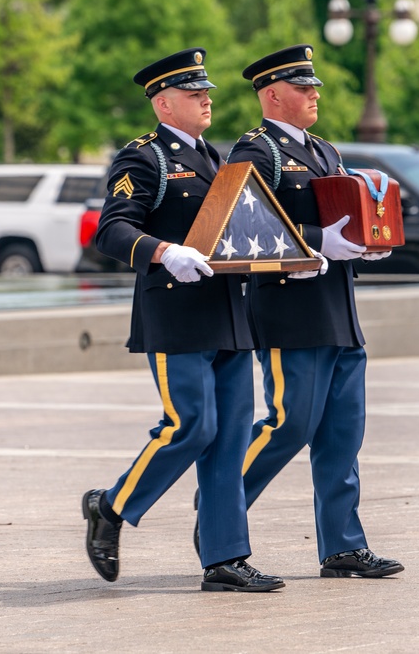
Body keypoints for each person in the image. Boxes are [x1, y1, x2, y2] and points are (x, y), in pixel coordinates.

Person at [82, 48, 283, 592]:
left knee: (229, 439)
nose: (208, 100)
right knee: (191, 426)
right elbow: (112, 229)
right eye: (196, 95)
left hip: (228, 316)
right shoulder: (143, 158)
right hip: (176, 314)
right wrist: (163, 250)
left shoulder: (217, 158)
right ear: (165, 103)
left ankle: (225, 560)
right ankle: (111, 506)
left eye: (208, 93)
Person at [223, 45, 403, 578]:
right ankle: (219, 513)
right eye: (304, 88)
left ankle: (343, 547)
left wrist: (368, 242)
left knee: (342, 434)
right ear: (273, 94)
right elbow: (241, 228)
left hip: (338, 311)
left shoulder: (324, 151)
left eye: (314, 86)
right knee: (290, 424)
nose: (314, 94)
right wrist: (320, 239)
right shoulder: (255, 151)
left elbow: (342, 214)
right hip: (290, 312)